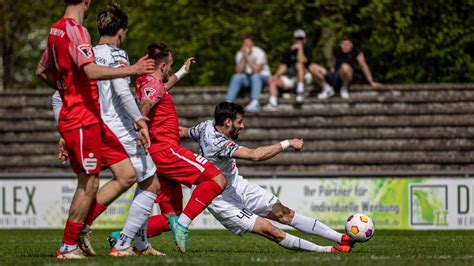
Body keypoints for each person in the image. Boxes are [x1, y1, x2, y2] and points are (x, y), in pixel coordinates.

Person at [109, 102, 353, 253]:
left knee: (284, 214)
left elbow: (184, 132)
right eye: (239, 122)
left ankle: (339, 237)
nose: (242, 126)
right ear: (227, 123)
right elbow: (256, 155)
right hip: (220, 198)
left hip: (237, 184)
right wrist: (288, 142)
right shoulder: (220, 142)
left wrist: (152, 131)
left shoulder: (206, 127)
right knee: (271, 230)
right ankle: (327, 251)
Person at [35, 0, 155, 259]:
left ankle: (81, 228)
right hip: (82, 119)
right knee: (89, 184)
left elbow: (41, 71)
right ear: (86, 1)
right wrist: (132, 70)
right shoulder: (77, 31)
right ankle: (68, 246)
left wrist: (67, 91)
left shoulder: (55, 30)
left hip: (93, 119)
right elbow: (89, 71)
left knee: (126, 173)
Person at [135, 43, 227, 253]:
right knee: (217, 179)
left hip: (158, 154)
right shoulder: (153, 85)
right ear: (163, 65)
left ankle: (123, 237)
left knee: (172, 215)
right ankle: (184, 225)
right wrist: (140, 124)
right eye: (171, 66)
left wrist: (183, 71)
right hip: (166, 151)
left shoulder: (148, 82)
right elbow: (147, 104)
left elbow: (161, 88)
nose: (170, 70)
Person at [314, 35, 382, 100]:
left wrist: (371, 81)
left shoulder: (356, 52)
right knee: (313, 67)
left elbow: (364, 66)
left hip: (347, 76)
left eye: (347, 44)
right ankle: (327, 88)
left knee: (345, 66)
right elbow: (333, 64)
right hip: (335, 75)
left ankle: (344, 88)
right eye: (343, 44)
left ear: (351, 45)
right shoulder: (337, 51)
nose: (345, 46)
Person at [263, 29, 313, 111]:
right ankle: (273, 104)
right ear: (294, 40)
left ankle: (300, 91)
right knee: (273, 81)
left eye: (301, 39)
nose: (299, 41)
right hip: (291, 77)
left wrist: (300, 49)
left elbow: (302, 61)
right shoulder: (289, 51)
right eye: (297, 39)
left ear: (304, 40)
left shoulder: (308, 49)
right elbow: (284, 65)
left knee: (298, 64)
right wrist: (276, 75)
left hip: (304, 77)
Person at [224, 34, 271, 112]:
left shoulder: (259, 52)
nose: (247, 45)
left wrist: (247, 57)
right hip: (249, 78)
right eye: (245, 43)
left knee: (255, 76)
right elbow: (238, 71)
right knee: (236, 77)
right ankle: (228, 102)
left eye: (248, 43)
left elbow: (256, 70)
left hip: (262, 78)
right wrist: (244, 57)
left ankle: (255, 102)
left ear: (252, 43)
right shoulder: (240, 53)